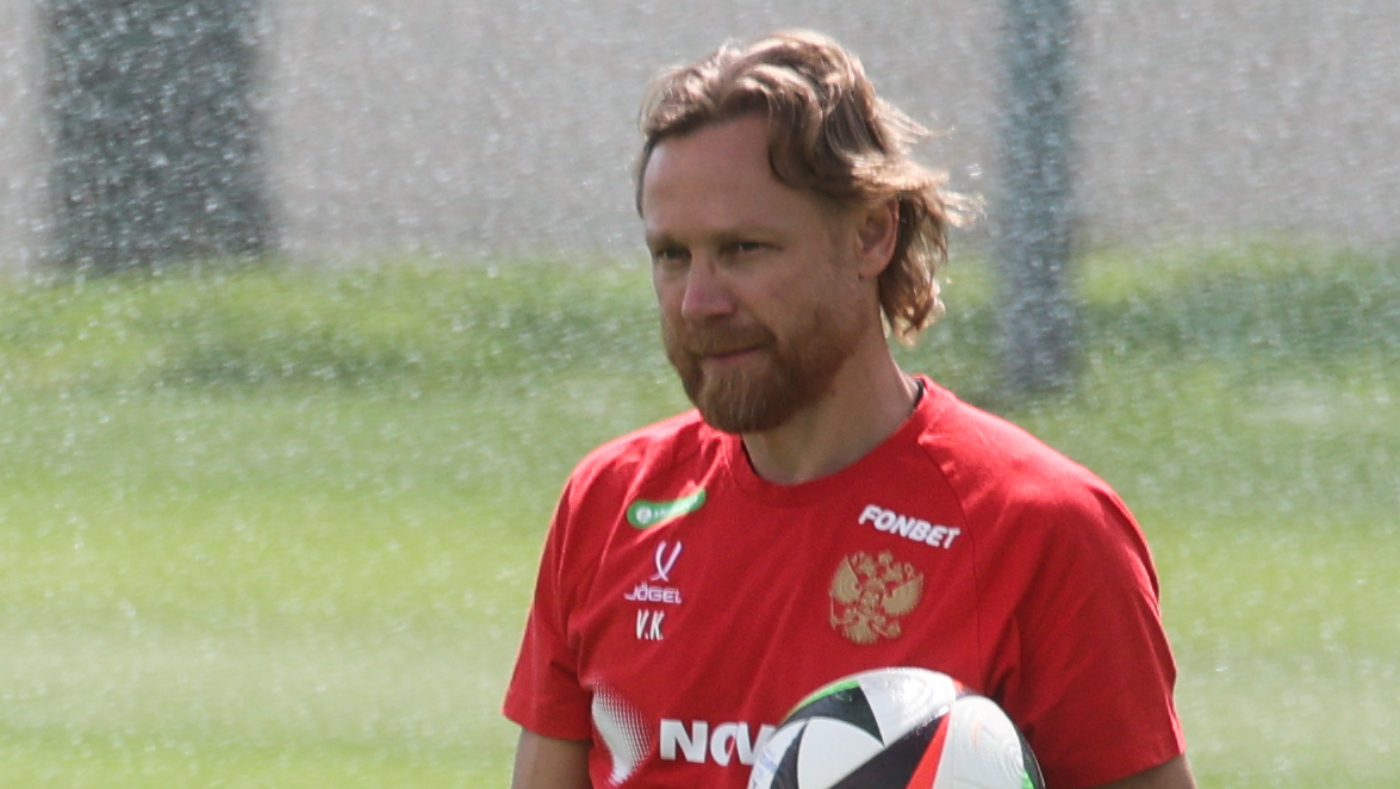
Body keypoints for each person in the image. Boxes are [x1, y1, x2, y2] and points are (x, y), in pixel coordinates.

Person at [503, 30, 1194, 789]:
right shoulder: (608, 507)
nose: (699, 301)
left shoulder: (1043, 532)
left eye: (744, 249)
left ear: (871, 233)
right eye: (672, 255)